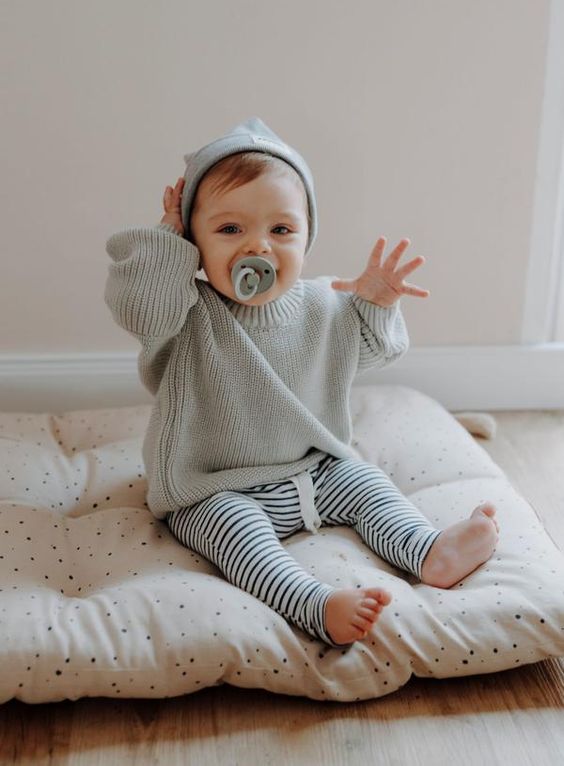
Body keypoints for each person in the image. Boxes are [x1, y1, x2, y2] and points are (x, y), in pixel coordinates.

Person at [104, 117, 499, 648]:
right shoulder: (183, 310)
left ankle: (428, 550)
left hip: (313, 470)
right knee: (235, 535)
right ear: (194, 243)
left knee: (367, 484)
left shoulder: (321, 303)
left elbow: (377, 349)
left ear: (308, 237)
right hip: (212, 486)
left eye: (281, 230)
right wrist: (166, 238)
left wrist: (377, 304)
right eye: (229, 230)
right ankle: (313, 604)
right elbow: (139, 306)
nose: (259, 248)